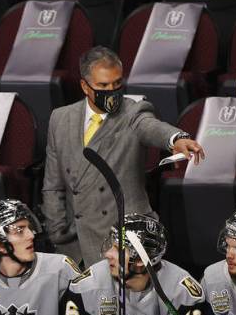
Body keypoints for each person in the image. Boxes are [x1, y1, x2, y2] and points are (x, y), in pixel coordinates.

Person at [42, 45, 205, 266]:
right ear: (85, 86)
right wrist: (57, 232)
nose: (111, 90)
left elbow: (150, 127)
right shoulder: (60, 119)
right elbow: (53, 184)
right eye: (103, 85)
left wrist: (176, 138)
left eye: (117, 83)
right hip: (77, 245)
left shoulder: (133, 112)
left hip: (127, 242)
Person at [60, 213, 228, 315]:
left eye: (118, 250)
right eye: (111, 246)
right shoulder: (86, 286)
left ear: (140, 260)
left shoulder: (182, 290)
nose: (108, 254)